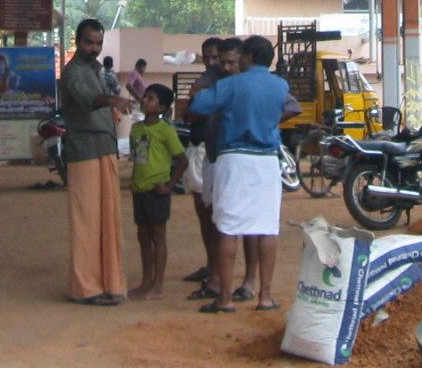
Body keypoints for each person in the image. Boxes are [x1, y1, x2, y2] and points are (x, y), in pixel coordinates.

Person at [185, 34, 298, 314]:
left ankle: (224, 298)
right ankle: (265, 296)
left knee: (227, 228)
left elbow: (197, 106)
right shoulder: (279, 85)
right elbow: (290, 107)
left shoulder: (231, 84)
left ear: (247, 57)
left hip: (233, 159)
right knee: (267, 228)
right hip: (267, 161)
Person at [60, 18, 131, 306]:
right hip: (84, 149)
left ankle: (110, 284)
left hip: (104, 147)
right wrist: (112, 101)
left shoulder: (97, 69)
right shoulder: (73, 71)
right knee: (87, 221)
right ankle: (85, 288)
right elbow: (87, 98)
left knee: (109, 220)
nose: (94, 48)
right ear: (77, 41)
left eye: (98, 43)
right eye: (89, 42)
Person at [178, 38, 228, 296]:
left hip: (217, 153)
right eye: (206, 57)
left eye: (215, 57)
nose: (211, 62)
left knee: (218, 215)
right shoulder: (203, 81)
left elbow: (193, 108)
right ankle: (212, 266)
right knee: (203, 211)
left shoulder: (224, 83)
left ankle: (219, 273)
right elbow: (187, 110)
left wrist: (199, 105)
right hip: (200, 148)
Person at [127, 84, 184, 301]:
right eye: (145, 97)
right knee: (143, 236)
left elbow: (182, 160)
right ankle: (145, 281)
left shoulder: (165, 130)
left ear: (161, 106)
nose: (144, 101)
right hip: (139, 189)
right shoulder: (136, 129)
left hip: (157, 191)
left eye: (150, 98)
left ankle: (157, 285)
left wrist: (169, 185)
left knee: (158, 236)